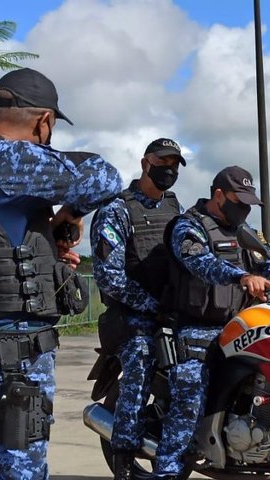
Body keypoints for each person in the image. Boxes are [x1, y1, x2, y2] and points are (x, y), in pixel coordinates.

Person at [0, 67, 123, 480]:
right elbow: (106, 178)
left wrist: (45, 240)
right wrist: (73, 210)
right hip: (13, 356)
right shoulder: (3, 158)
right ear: (44, 121)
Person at [154, 165, 270, 479]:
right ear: (219, 195)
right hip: (196, 329)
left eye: (250, 203)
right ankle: (167, 470)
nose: (245, 208)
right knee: (189, 399)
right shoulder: (188, 226)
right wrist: (243, 276)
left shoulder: (245, 231)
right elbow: (201, 264)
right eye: (240, 201)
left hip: (240, 324)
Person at [90, 138, 186, 480]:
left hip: (172, 312)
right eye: (163, 162)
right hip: (132, 317)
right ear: (146, 163)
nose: (169, 169)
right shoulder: (117, 209)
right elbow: (109, 275)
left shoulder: (174, 208)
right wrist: (152, 305)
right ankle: (125, 459)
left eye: (175, 163)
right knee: (141, 365)